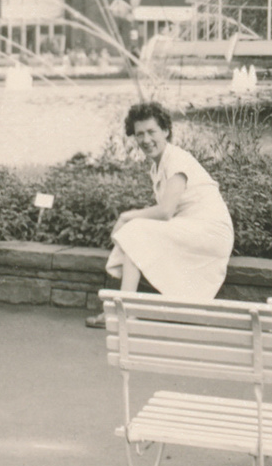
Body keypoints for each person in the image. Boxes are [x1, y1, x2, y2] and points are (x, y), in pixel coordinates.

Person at [86, 101, 234, 328]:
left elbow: (165, 212)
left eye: (151, 132)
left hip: (210, 233)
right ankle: (125, 309)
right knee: (137, 233)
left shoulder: (176, 159)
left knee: (135, 229)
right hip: (192, 228)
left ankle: (124, 311)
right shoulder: (159, 165)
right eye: (139, 134)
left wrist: (126, 216)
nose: (145, 140)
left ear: (165, 131)